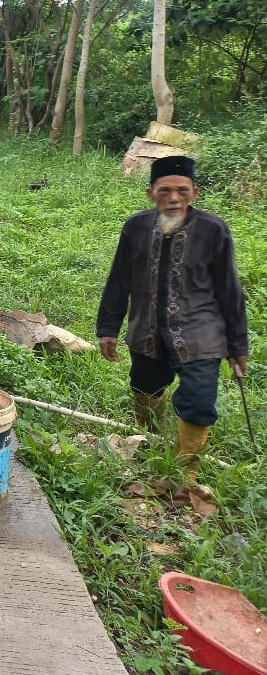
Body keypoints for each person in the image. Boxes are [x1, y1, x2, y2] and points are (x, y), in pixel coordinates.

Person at [96, 155, 248, 486]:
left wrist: (238, 345)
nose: (174, 198)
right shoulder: (135, 227)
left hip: (201, 336)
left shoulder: (213, 230)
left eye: (181, 190)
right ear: (151, 193)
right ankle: (150, 441)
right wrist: (108, 328)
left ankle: (183, 474)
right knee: (144, 387)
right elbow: (119, 279)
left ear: (194, 191)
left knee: (199, 403)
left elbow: (230, 291)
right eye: (165, 191)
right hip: (147, 330)